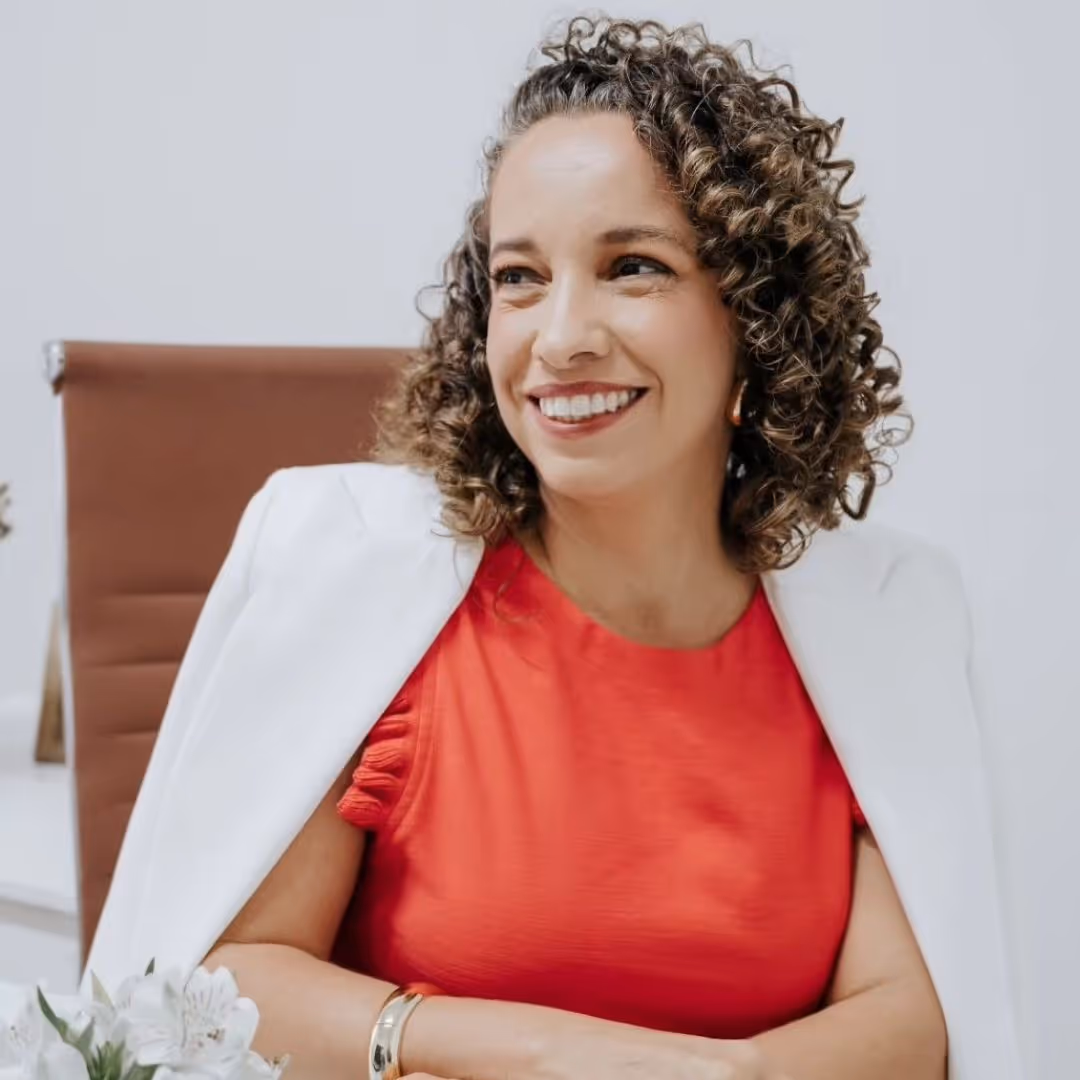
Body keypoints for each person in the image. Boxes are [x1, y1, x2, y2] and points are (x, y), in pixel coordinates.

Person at [84, 16, 1022, 1080]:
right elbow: (220, 986)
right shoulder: (355, 576)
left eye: (633, 267)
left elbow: (913, 1020)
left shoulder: (882, 622)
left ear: (758, 319)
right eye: (520, 277)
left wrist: (720, 1078)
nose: (561, 338)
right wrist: (544, 1054)